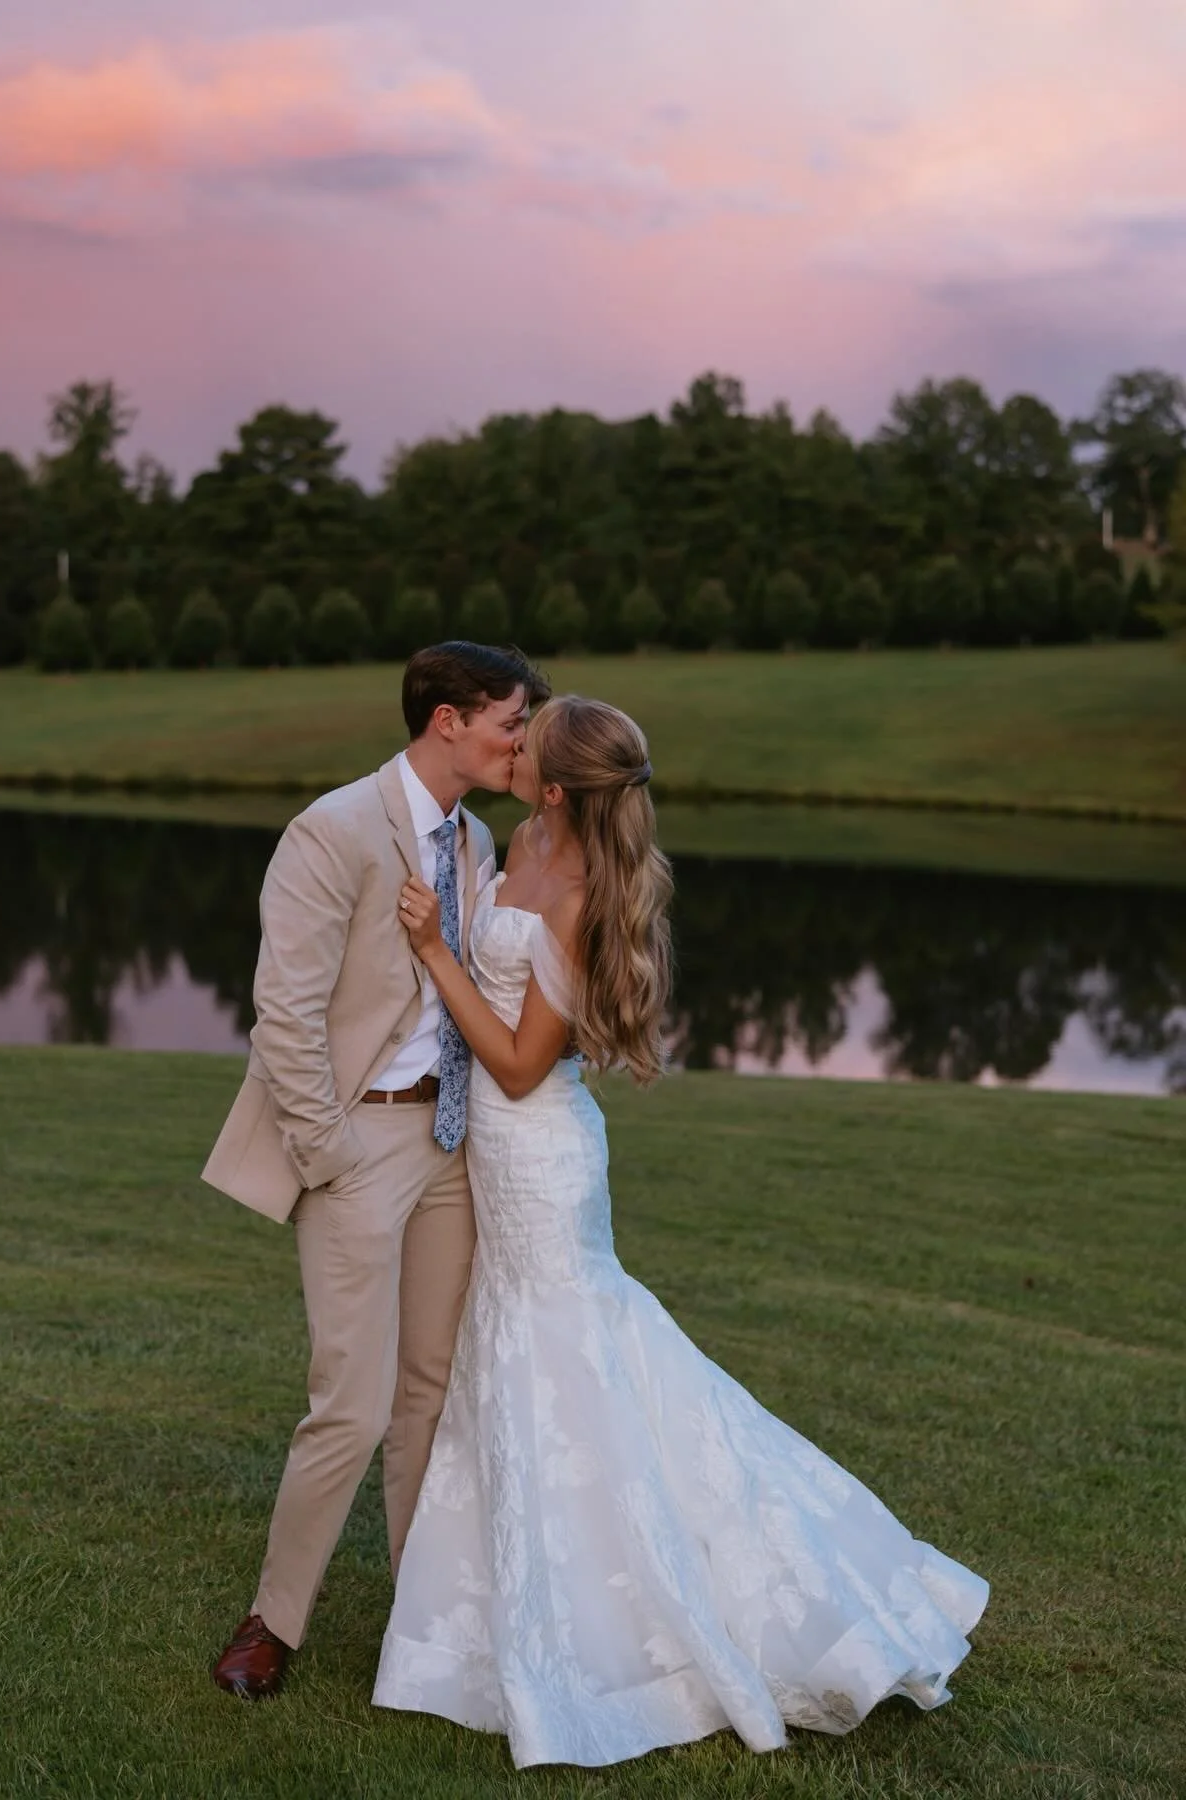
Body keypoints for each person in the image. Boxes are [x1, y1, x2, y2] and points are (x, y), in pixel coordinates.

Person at [374, 694, 988, 1770]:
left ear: (558, 785)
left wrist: (434, 954)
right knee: (525, 1361)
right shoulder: (521, 840)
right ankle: (496, 1606)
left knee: (570, 1364)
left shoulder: (582, 892)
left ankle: (647, 1623)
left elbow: (521, 1064)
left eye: (530, 740)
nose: (511, 745)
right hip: (499, 1159)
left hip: (542, 1151)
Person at [204, 641, 549, 1700]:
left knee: (429, 1394)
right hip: (357, 1147)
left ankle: (422, 1609)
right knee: (347, 1403)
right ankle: (273, 1622)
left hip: (449, 1144)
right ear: (447, 720)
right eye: (508, 723)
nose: (520, 742)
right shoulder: (335, 828)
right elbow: (285, 1014)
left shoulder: (478, 837)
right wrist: (329, 1153)